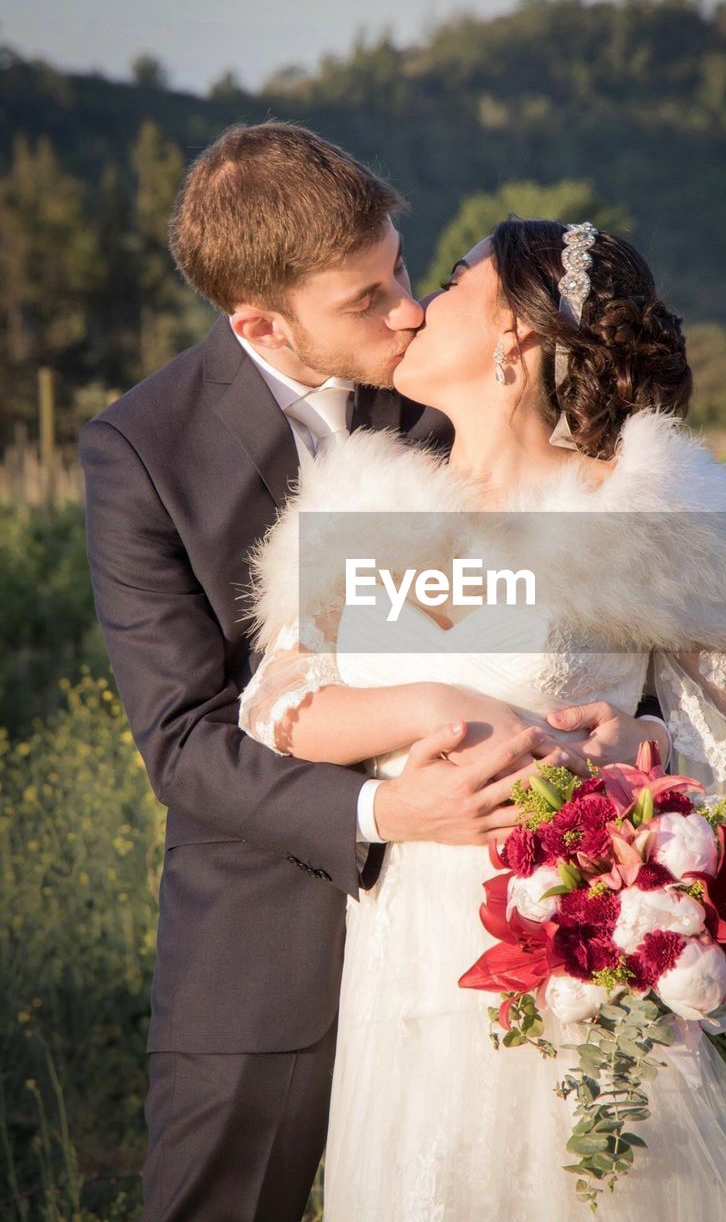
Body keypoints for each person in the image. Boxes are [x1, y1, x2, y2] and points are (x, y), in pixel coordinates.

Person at [79, 122, 668, 1222]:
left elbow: (591, 618)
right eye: (365, 299)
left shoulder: (454, 390)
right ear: (259, 322)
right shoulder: (141, 452)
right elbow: (185, 737)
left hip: (497, 931)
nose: (404, 310)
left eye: (401, 268)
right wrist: (385, 804)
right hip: (264, 949)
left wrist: (642, 734)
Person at [239, 218, 726, 1220]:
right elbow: (278, 699)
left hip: (574, 957)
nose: (418, 303)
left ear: (514, 332)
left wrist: (681, 891)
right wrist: (436, 706)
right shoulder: (369, 501)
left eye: (457, 279)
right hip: (409, 948)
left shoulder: (631, 509)